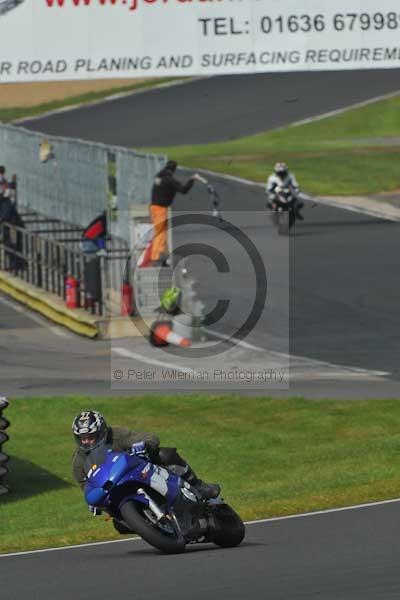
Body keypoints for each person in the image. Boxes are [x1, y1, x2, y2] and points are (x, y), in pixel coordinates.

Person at [72, 411, 220, 530]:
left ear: (101, 432)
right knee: (119, 525)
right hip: (113, 489)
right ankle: (152, 525)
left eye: (90, 437)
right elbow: (85, 485)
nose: (86, 441)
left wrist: (145, 446)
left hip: (136, 470)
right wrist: (92, 500)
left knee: (165, 454)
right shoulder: (79, 461)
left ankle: (198, 485)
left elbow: (147, 437)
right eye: (82, 438)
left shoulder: (116, 434)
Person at [150, 160, 202, 266]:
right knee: (160, 233)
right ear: (173, 169)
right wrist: (191, 180)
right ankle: (156, 256)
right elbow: (183, 190)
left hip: (154, 207)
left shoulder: (159, 176)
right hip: (160, 208)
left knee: (161, 232)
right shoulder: (169, 180)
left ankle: (160, 255)